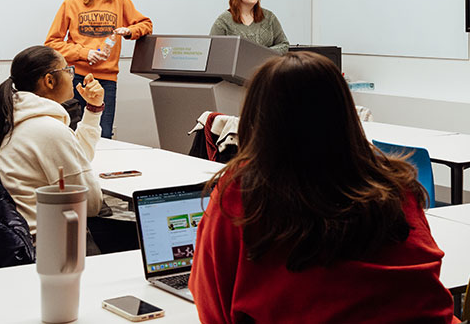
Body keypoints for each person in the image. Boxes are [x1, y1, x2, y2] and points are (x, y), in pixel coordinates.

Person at [190, 51, 455, 323]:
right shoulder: (394, 183)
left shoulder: (242, 193)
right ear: (344, 112)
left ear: (257, 118)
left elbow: (213, 307)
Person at [0, 45, 104, 235]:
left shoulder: (8, 117)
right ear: (50, 81)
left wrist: (92, 110)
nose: (72, 76)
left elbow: (76, 158)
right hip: (40, 244)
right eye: (68, 70)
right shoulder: (48, 129)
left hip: (4, 237)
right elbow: (91, 204)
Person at [46, 0, 152, 139]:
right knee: (71, 133)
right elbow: (52, 43)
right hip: (75, 78)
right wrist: (85, 53)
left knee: (103, 135)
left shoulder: (119, 0)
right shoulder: (72, 2)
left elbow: (146, 24)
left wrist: (129, 31)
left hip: (106, 80)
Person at [209, 0, 289, 54]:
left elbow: (283, 44)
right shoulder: (223, 21)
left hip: (265, 66)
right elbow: (213, 50)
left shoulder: (269, 17)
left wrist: (263, 53)